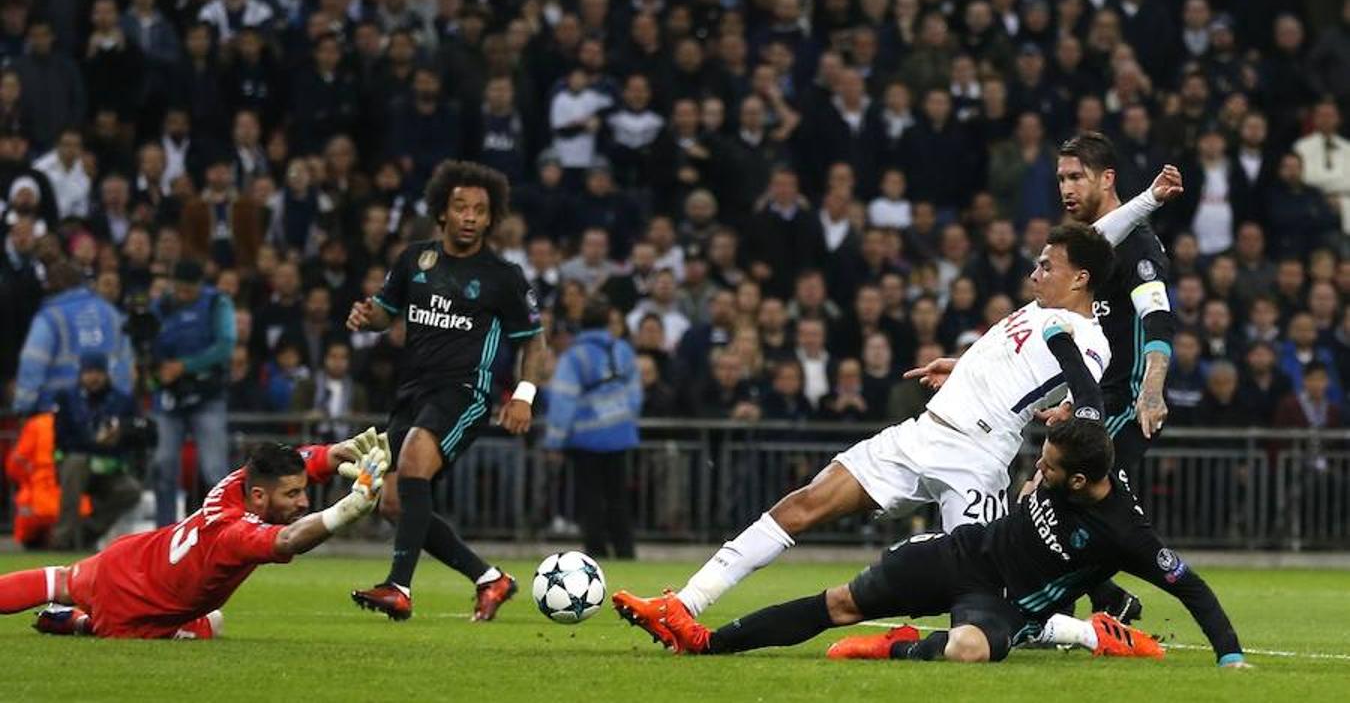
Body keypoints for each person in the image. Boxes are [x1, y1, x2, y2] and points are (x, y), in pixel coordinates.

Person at [612, 191, 1173, 634]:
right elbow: (1094, 244)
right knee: (804, 504)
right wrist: (965, 368)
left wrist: (1078, 419)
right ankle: (683, 603)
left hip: (975, 460)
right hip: (920, 435)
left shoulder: (1083, 336)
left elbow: (1082, 387)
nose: (1035, 273)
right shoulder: (1045, 304)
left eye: (1046, 266)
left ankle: (1094, 634)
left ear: (1079, 279)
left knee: (981, 610)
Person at [623, 420, 1248, 670]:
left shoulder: (1128, 533)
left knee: (970, 650)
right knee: (839, 603)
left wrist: (1229, 658)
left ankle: (902, 646)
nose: (1037, 469)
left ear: (1081, 482)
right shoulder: (1073, 464)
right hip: (962, 552)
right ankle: (708, 641)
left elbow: (1189, 584)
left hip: (1002, 605)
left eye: (1049, 468)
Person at [346, 160, 546, 621]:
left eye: (480, 209)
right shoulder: (414, 259)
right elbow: (384, 311)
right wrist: (366, 316)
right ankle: (488, 578)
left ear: (492, 218)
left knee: (415, 459)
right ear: (442, 211)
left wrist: (523, 394)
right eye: (460, 207)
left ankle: (398, 588)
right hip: (411, 392)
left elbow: (534, 342)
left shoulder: (504, 276)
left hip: (464, 393)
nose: (470, 216)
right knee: (391, 502)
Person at [0, 435, 388, 639]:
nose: (303, 501)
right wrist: (348, 509)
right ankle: (79, 624)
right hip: (137, 610)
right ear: (258, 496)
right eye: (292, 495)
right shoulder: (234, 534)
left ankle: (74, 615)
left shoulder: (236, 484)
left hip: (128, 559)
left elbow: (296, 464)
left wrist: (338, 452)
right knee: (211, 623)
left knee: (60, 580)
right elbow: (288, 540)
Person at [1055, 132, 1178, 622]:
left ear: (1107, 179)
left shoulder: (1139, 246)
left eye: (1075, 177)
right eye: (1061, 178)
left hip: (1126, 400)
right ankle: (1107, 600)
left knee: (1055, 492)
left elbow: (1157, 316)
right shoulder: (1084, 249)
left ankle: (1056, 606)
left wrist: (1151, 390)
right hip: (1092, 398)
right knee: (1058, 499)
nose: (1065, 188)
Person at [544, 293, 642, 560]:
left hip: (585, 438)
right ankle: (625, 550)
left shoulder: (574, 356)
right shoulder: (622, 350)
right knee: (619, 497)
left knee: (590, 499)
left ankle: (596, 551)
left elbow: (563, 400)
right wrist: (624, 418)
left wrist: (554, 441)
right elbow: (635, 394)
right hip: (620, 434)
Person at [150, 259, 237, 527]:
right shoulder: (161, 305)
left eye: (189, 290)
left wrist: (184, 366)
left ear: (200, 285)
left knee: (213, 469)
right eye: (180, 289)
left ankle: (225, 528)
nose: (184, 294)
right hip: (169, 397)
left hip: (207, 395)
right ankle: (165, 531)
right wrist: (156, 369)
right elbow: (147, 342)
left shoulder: (216, 303)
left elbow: (226, 345)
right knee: (164, 464)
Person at [14, 260, 134, 416]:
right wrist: (121, 403)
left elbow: (32, 362)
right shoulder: (111, 313)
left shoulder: (50, 317)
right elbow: (126, 363)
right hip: (108, 411)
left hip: (57, 413)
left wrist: (23, 405)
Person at [51, 353, 144, 550]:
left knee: (131, 490)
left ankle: (87, 533)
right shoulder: (67, 398)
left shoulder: (122, 400)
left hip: (109, 469)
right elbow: (62, 438)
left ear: (107, 374)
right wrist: (95, 443)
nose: (94, 377)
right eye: (89, 372)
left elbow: (142, 432)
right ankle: (63, 539)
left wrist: (121, 434)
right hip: (76, 465)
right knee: (76, 463)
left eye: (99, 372)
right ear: (81, 374)